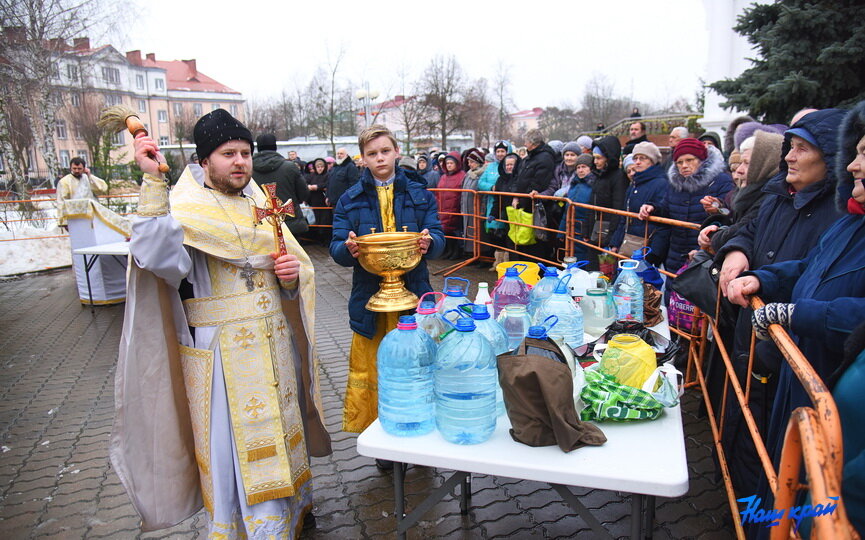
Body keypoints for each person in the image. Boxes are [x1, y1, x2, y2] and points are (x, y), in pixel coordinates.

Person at [111, 109, 331, 538]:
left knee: (285, 427)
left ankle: (290, 512)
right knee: (236, 445)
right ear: (205, 159)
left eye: (245, 153)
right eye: (228, 153)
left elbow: (291, 271)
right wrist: (152, 180)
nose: (240, 162)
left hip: (273, 340)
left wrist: (289, 279)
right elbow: (157, 258)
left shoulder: (260, 204)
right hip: (223, 351)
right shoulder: (185, 210)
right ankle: (252, 527)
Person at [726, 103, 865, 514]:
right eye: (853, 153)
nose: (854, 166)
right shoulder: (850, 222)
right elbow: (810, 265)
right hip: (799, 372)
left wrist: (795, 314)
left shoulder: (834, 214)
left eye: (863, 155)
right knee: (782, 473)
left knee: (811, 494)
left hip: (830, 383)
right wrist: (764, 279)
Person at [329, 124, 444, 435]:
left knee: (415, 363)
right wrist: (348, 248)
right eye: (371, 154)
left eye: (384, 151)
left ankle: (420, 424)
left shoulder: (420, 194)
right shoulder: (349, 200)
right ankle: (380, 430)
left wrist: (428, 242)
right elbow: (336, 247)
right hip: (370, 299)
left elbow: (438, 236)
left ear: (397, 152)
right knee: (377, 366)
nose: (379, 158)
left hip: (414, 292)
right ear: (362, 159)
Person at [640, 138, 734, 272]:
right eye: (679, 162)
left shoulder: (720, 181)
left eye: (690, 160)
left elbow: (730, 214)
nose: (684, 165)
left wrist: (718, 207)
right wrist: (653, 208)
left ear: (702, 160)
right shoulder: (674, 184)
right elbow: (666, 209)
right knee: (672, 290)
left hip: (706, 256)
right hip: (676, 254)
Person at [698, 130, 784, 255]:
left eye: (747, 163)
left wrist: (714, 235)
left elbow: (741, 230)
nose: (739, 171)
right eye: (735, 167)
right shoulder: (746, 192)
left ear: (765, 165)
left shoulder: (770, 197)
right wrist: (717, 220)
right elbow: (732, 217)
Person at [608, 141, 668, 257]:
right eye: (635, 158)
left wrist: (654, 253)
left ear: (652, 161)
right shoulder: (634, 184)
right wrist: (616, 242)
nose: (638, 162)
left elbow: (664, 218)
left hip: (648, 247)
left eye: (643, 158)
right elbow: (624, 217)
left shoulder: (662, 183)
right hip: (630, 243)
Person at [253, 134, 309, 236]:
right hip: (290, 222)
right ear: (275, 147)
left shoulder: (248, 169)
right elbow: (303, 194)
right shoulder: (290, 167)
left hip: (262, 223)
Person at [555, 151, 596, 259]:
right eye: (578, 167)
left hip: (585, 230)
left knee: (584, 258)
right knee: (572, 257)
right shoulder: (574, 184)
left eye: (584, 167)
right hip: (571, 229)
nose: (580, 170)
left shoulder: (594, 184)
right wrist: (561, 231)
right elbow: (567, 210)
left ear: (590, 168)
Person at [589, 136, 628, 248]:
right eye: (594, 158)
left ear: (608, 158)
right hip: (595, 231)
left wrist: (611, 237)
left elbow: (618, 209)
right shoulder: (598, 176)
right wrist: (586, 231)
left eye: (599, 158)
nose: (595, 162)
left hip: (607, 233)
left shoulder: (619, 177)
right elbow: (591, 204)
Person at [56, 157, 108, 227]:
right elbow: (61, 202)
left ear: (84, 168)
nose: (77, 171)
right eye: (74, 168)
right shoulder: (64, 182)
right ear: (70, 168)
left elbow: (102, 188)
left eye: (79, 168)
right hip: (74, 217)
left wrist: (90, 176)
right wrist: (63, 222)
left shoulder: (88, 178)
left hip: (90, 216)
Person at [436, 152, 466, 259]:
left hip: (455, 208)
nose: (449, 165)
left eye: (451, 163)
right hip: (443, 207)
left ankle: (456, 251)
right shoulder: (443, 177)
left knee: (454, 231)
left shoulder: (462, 175)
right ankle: (448, 250)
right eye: (447, 163)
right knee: (445, 230)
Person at [461, 148, 487, 259]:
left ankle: (481, 255)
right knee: (470, 231)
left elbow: (483, 194)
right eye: (469, 162)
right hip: (467, 208)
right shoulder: (468, 175)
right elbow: (463, 193)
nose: (469, 164)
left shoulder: (482, 175)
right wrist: (462, 207)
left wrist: (482, 210)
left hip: (477, 209)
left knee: (479, 233)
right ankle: (472, 253)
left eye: (472, 162)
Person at [305, 158, 330, 243]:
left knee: (325, 221)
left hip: (324, 202)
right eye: (318, 166)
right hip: (314, 201)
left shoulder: (328, 175)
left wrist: (318, 187)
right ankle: (318, 239)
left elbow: (328, 184)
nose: (320, 168)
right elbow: (305, 183)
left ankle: (326, 239)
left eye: (322, 166)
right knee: (316, 220)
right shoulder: (311, 176)